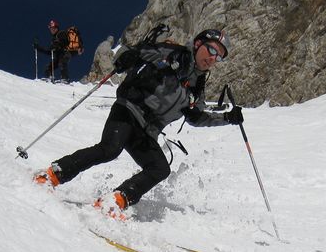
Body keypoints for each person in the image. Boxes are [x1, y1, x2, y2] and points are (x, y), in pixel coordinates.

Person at [34, 28, 243, 217]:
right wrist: (127, 57)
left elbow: (196, 117)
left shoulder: (197, 88)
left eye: (220, 57)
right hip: (129, 108)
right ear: (198, 44)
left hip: (146, 131)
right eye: (212, 51)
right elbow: (133, 52)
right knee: (109, 149)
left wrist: (226, 118)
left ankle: (115, 200)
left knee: (160, 168)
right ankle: (52, 174)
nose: (213, 59)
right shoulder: (173, 52)